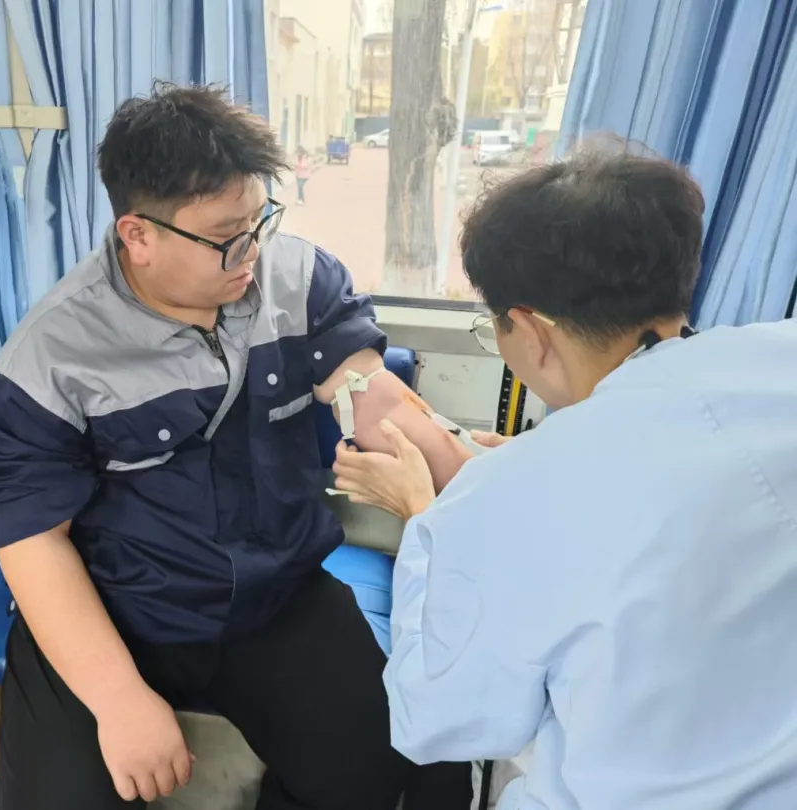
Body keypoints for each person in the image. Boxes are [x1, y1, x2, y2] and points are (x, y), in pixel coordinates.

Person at [0, 83, 472, 810]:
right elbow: (34, 540)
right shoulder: (53, 354)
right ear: (139, 235)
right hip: (121, 608)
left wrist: (483, 479)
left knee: (391, 780)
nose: (252, 250)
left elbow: (372, 396)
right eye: (228, 235)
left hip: (278, 597)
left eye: (259, 219)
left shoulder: (296, 278)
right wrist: (119, 699)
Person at [333, 152, 797, 810]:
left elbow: (439, 720)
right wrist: (530, 465)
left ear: (529, 329)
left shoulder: (501, 499)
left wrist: (424, 515)